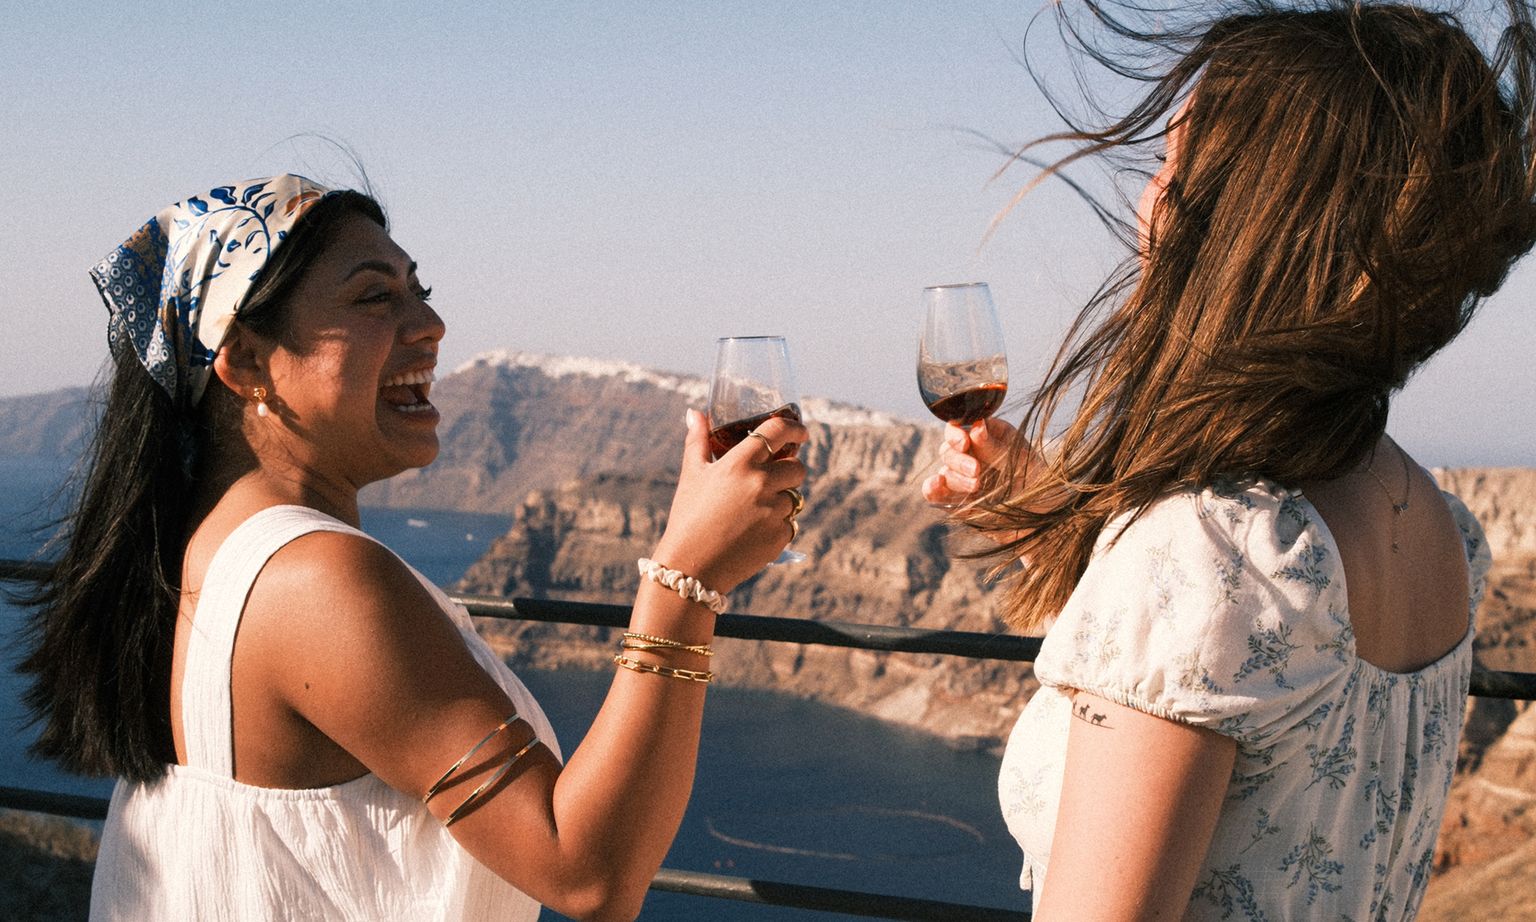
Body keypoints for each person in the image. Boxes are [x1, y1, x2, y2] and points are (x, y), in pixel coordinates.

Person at [19, 173, 809, 921]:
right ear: (250, 362)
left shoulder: (204, 543)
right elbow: (588, 873)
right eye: (375, 297)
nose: (430, 326)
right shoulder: (319, 579)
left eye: (418, 292)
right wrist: (686, 580)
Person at [924, 2, 1536, 919]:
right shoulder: (1436, 522)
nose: (1154, 197)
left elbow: (1208, 616)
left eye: (1175, 165)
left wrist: (1145, 556)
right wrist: (1050, 527)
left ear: (1252, 221)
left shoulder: (1207, 549)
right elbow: (1253, 686)